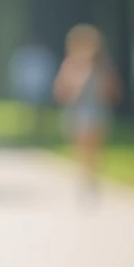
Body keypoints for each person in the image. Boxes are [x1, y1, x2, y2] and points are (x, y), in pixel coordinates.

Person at [52, 24, 122, 197]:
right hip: (78, 111)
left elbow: (114, 90)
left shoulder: (103, 66)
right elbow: (60, 91)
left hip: (98, 110)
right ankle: (85, 176)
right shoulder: (70, 65)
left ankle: (92, 176)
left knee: (95, 146)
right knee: (81, 146)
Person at [9, 35, 59, 143]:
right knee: (25, 111)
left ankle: (38, 133)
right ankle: (25, 131)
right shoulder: (24, 55)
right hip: (27, 87)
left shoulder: (44, 55)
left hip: (40, 87)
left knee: (40, 112)